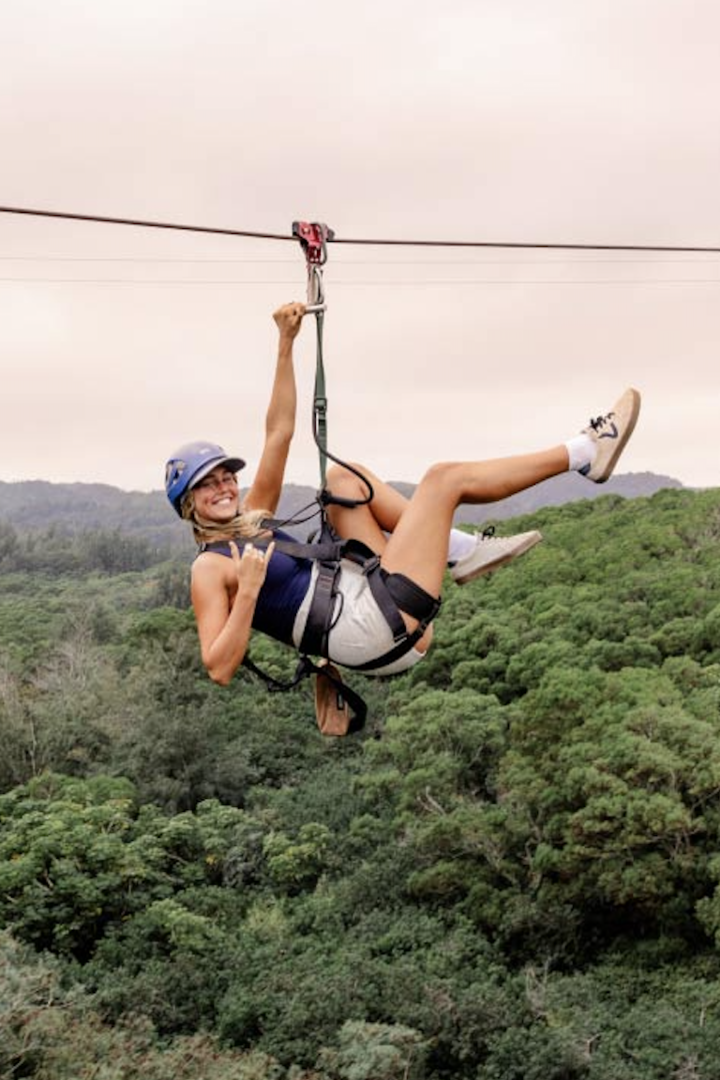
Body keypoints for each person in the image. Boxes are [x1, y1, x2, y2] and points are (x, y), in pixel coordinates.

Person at [165, 302, 640, 686]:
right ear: (190, 504)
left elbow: (279, 432)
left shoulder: (255, 519)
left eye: (226, 476)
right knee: (443, 480)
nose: (224, 487)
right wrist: (247, 592)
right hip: (370, 631)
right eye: (208, 484)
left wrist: (286, 344)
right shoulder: (210, 568)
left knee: (343, 484)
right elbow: (219, 667)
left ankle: (464, 552)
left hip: (366, 599)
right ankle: (584, 452)